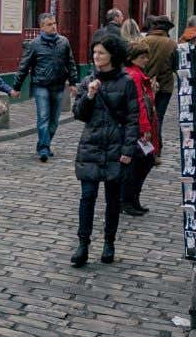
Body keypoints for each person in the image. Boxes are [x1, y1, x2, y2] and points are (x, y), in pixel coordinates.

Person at [70, 36, 139, 267]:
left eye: (101, 53)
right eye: (95, 53)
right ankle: (83, 244)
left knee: (112, 199)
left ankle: (109, 242)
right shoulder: (88, 80)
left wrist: (128, 149)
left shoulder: (126, 82)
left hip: (116, 147)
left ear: (113, 55)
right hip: (91, 146)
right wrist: (89, 95)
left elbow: (132, 118)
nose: (96, 57)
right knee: (87, 197)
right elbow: (79, 114)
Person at [14, 12, 78, 162]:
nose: (54, 26)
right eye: (49, 24)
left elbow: (71, 63)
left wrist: (73, 83)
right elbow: (24, 66)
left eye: (54, 23)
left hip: (58, 85)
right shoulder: (34, 44)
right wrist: (16, 87)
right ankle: (44, 148)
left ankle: (43, 143)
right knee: (43, 116)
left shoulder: (64, 42)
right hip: (40, 85)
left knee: (54, 120)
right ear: (42, 27)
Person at [120, 43, 159, 216]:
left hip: (139, 124)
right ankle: (127, 200)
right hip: (136, 126)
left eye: (146, 56)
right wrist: (144, 129)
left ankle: (132, 199)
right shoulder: (134, 75)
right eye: (142, 57)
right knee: (138, 164)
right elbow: (138, 104)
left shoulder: (138, 74)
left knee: (143, 162)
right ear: (133, 58)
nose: (146, 60)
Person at [132, 15, 177, 137]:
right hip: (164, 87)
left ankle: (145, 146)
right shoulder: (172, 44)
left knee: (144, 115)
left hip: (144, 85)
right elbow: (176, 67)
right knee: (159, 118)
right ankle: (157, 146)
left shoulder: (143, 41)